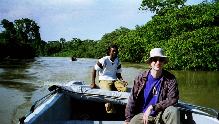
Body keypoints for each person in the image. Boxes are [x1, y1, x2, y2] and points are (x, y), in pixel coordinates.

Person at [124, 48, 180, 124]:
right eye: (155, 60)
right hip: (143, 115)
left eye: (161, 60)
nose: (158, 62)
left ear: (164, 62)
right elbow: (132, 99)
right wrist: (128, 119)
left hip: (161, 114)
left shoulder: (170, 79)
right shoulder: (140, 78)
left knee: (173, 111)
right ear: (150, 62)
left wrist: (153, 107)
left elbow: (173, 99)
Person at [90, 44, 128, 113]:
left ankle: (119, 107)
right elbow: (94, 69)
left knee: (124, 89)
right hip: (104, 80)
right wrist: (93, 83)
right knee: (108, 96)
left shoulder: (117, 61)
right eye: (113, 51)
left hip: (114, 80)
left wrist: (122, 81)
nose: (115, 52)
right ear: (109, 52)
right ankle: (110, 112)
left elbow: (118, 74)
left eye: (116, 51)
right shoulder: (104, 60)